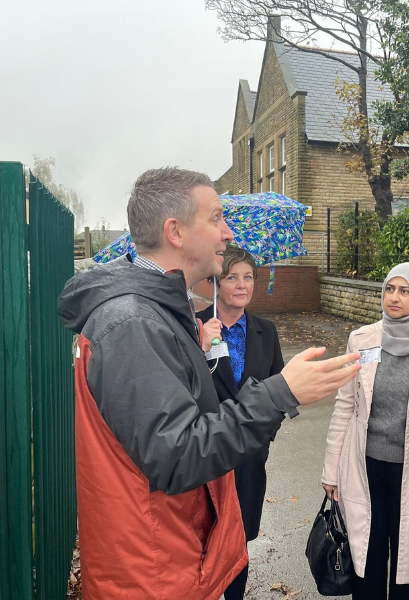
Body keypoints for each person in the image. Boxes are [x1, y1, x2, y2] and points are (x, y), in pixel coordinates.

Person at [57, 168, 360, 600]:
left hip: (171, 550)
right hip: (152, 567)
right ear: (175, 231)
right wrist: (280, 393)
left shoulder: (158, 313)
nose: (228, 231)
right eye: (216, 218)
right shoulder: (133, 324)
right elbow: (177, 455)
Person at [321, 262, 409, 600]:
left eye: (404, 291)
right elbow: (345, 406)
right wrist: (331, 471)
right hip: (364, 468)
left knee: (408, 566)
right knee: (365, 562)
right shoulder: (362, 339)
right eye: (389, 289)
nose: (393, 298)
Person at [197, 246, 283, 600]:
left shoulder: (266, 331)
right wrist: (201, 347)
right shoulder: (195, 325)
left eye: (248, 277)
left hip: (249, 456)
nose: (242, 285)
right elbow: (181, 388)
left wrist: (262, 436)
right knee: (203, 537)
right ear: (216, 283)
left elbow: (278, 389)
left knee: (239, 540)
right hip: (205, 455)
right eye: (232, 277)